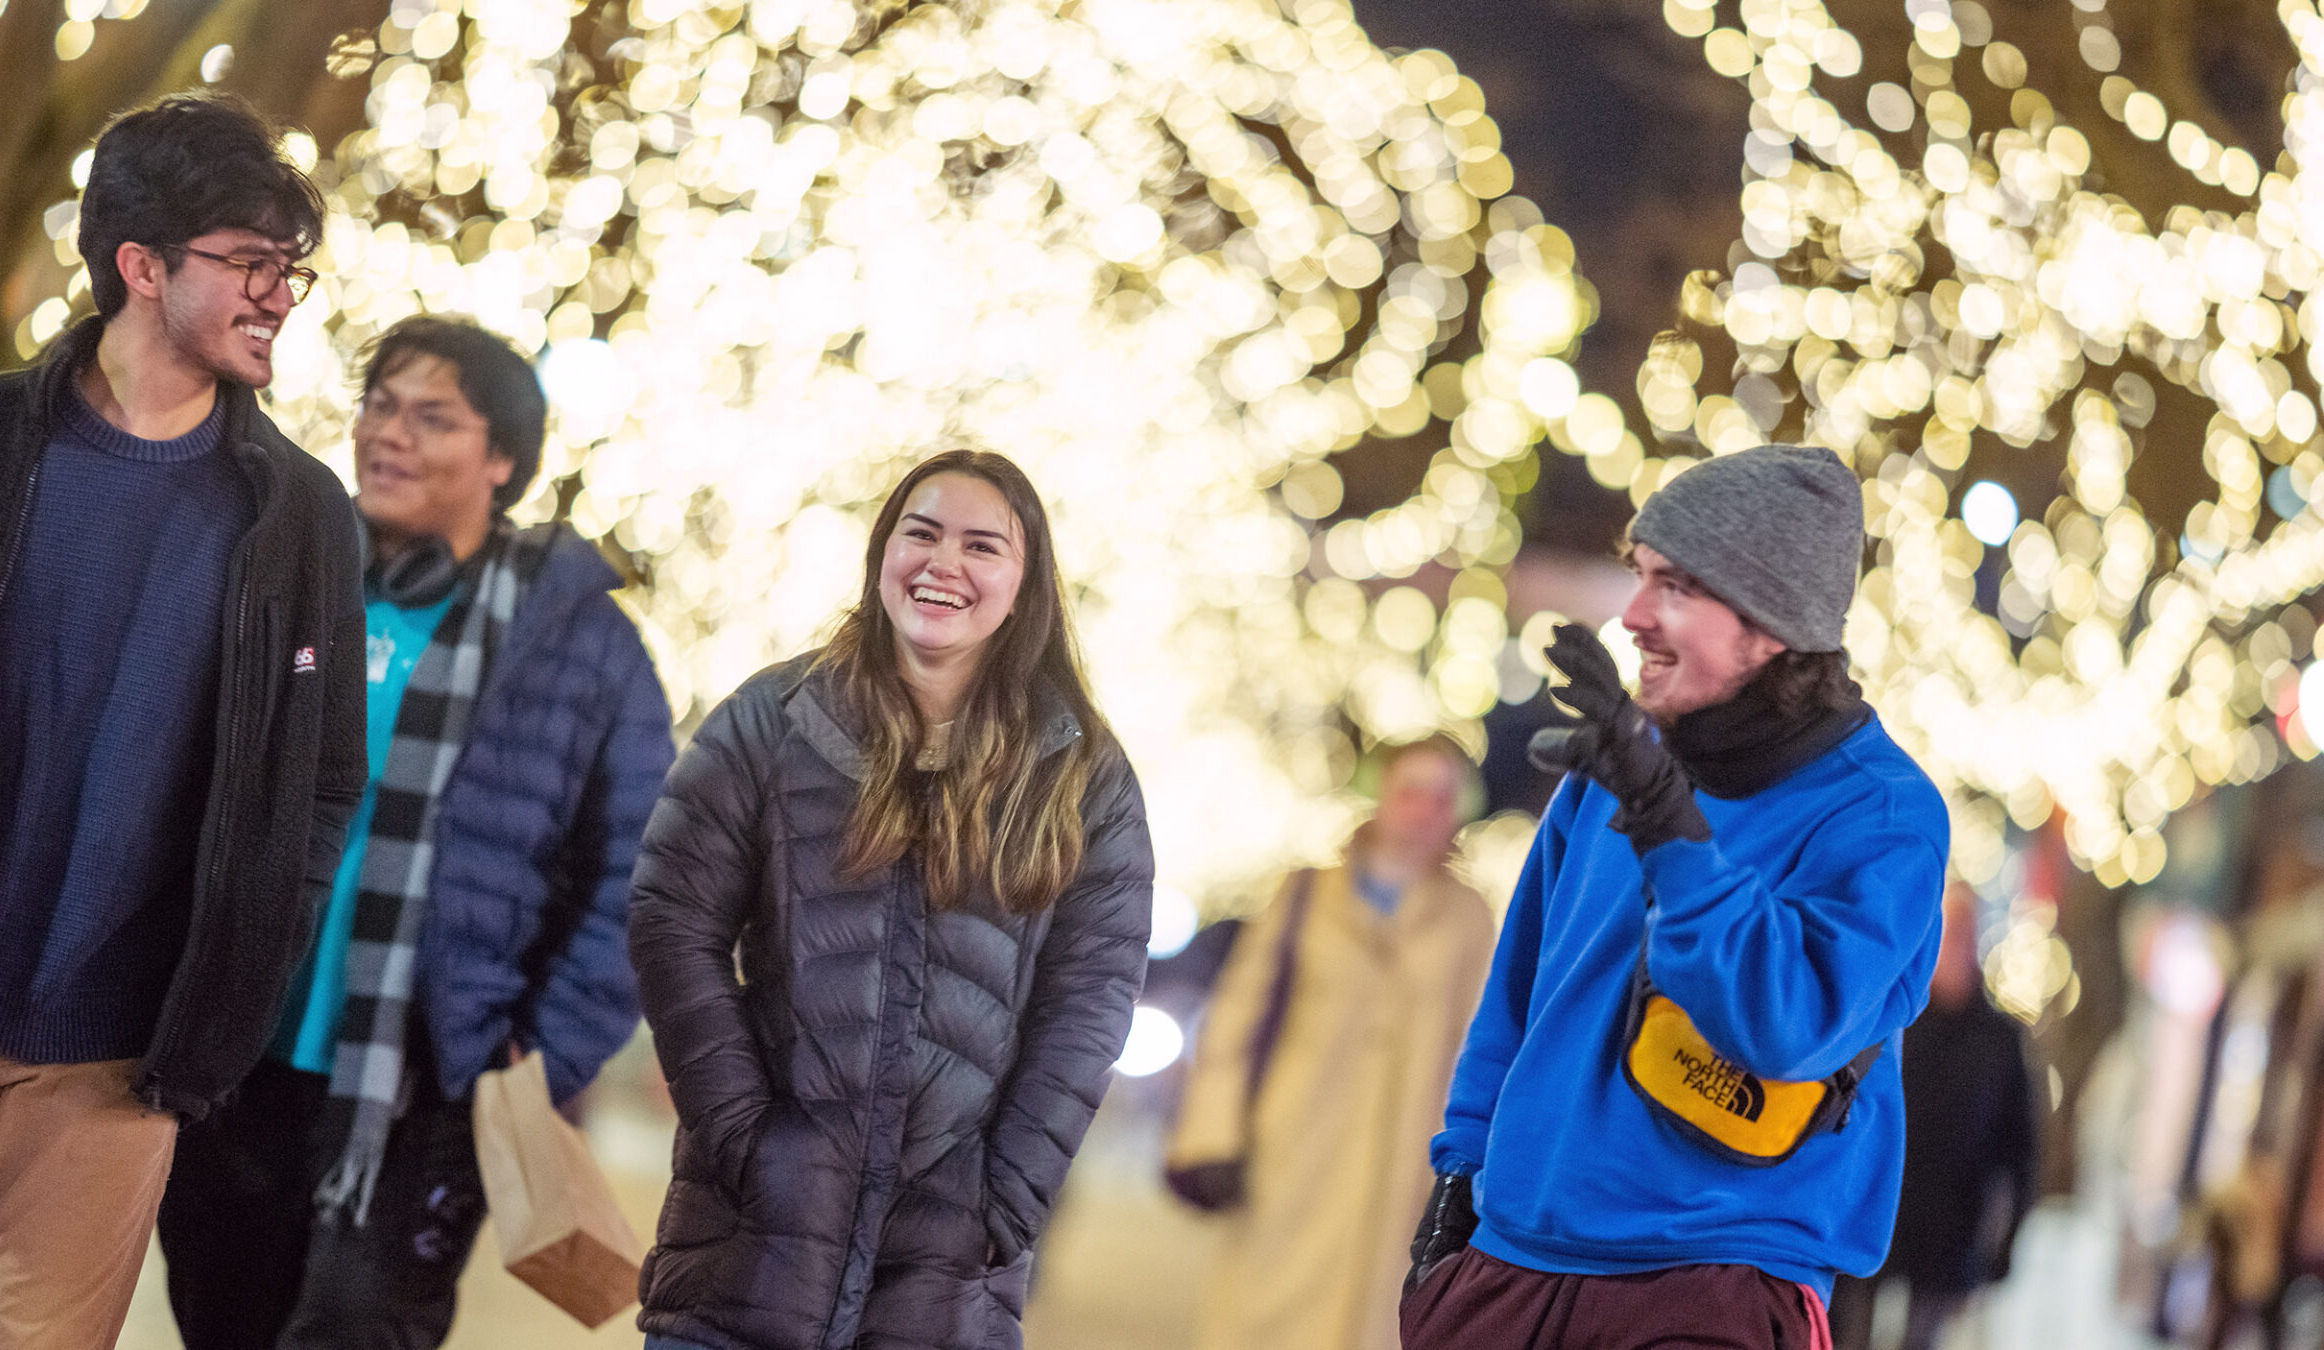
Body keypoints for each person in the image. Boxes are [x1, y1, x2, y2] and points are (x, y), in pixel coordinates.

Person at [0, 94, 362, 1349]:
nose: (283, 295)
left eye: (294, 269)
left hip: (118, 1063)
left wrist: (240, 963)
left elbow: (327, 783)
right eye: (251, 263)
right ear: (140, 266)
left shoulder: (299, 517)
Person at [156, 315, 677, 1349]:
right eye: (380, 405)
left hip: (433, 1080)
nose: (390, 434)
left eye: (432, 417)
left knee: (362, 1329)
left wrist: (530, 1057)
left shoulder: (583, 646)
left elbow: (639, 880)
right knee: (221, 1320)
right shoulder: (281, 580)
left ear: (501, 461)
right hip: (238, 1054)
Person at [1402, 445, 1951, 1349]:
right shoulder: (1611, 769)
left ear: (1772, 622)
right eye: (1639, 576)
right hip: (1509, 1269)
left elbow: (1785, 1022)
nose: (1634, 616)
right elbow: (1519, 1000)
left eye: (1679, 588)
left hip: (1712, 1287)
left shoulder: (1882, 815)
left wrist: (1672, 831)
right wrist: (1460, 1186)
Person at [630, 449, 1154, 1350]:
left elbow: (1094, 995)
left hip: (945, 1275)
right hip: (748, 1251)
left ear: (1025, 585)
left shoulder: (1081, 774)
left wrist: (1007, 1195)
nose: (944, 563)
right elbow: (671, 919)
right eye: (922, 533)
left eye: (982, 546)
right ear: (883, 554)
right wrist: (745, 1137)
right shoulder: (773, 719)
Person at [1165, 736, 1494, 1350]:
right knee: (1264, 1316)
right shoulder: (1304, 894)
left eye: (1443, 796)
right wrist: (1212, 1135)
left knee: (1381, 1320)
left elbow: (1482, 1048)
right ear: (1382, 795)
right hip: (1292, 1153)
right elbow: (1238, 1018)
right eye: (1412, 790)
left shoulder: (1470, 916)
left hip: (1404, 1170)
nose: (1425, 809)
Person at [1829, 883, 2039, 1350]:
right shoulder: (1896, 1016)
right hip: (1876, 1217)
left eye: (1966, 927)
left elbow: (2019, 1148)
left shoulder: (1999, 1041)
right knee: (1849, 1335)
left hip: (1948, 1236)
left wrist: (2004, 1247)